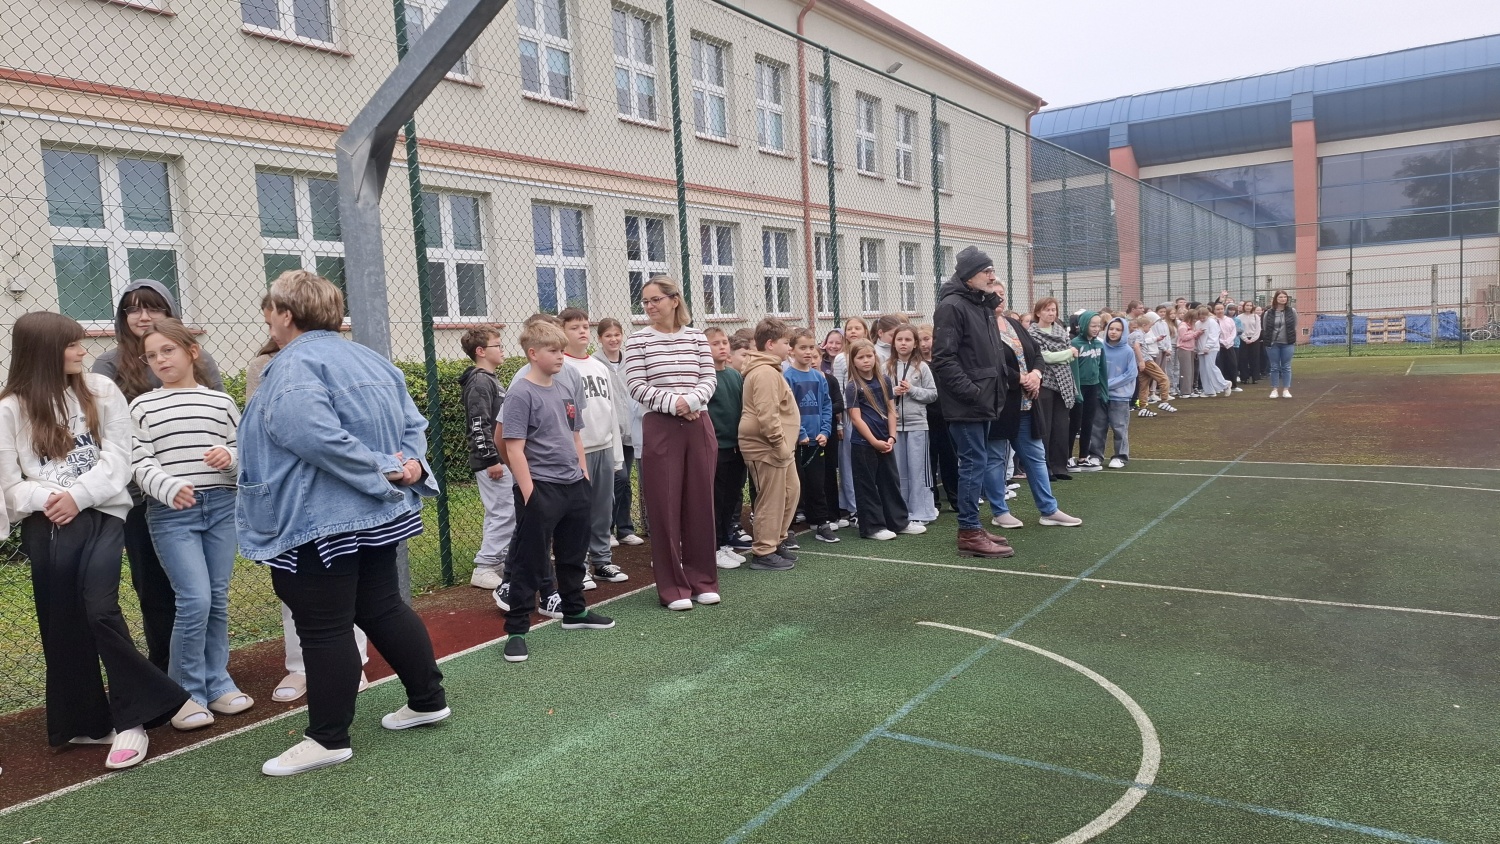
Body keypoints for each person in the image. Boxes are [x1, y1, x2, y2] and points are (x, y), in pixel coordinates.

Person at [241, 271, 448, 777]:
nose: (268, 319)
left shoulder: (293, 366)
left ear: (286, 314)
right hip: (374, 513)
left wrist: (387, 468)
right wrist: (408, 464)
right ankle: (427, 700)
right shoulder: (370, 360)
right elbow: (413, 426)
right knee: (381, 606)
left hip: (320, 518)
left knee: (323, 624)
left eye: (270, 311)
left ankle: (328, 738)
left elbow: (312, 435)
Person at [0, 312, 189, 770]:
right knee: (62, 617)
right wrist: (52, 498)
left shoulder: (100, 390)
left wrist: (78, 496)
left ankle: (134, 719)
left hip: (102, 512)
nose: (82, 351)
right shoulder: (9, 409)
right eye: (72, 344)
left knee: (99, 607)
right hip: (48, 519)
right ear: (45, 352)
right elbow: (9, 485)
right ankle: (87, 721)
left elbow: (118, 460)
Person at [93, 279, 225, 673]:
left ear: (170, 313)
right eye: (132, 308)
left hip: (200, 490)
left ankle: (209, 668)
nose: (143, 316)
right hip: (141, 495)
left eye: (153, 307)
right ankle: (168, 669)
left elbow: (220, 422)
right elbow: (108, 435)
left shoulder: (199, 359)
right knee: (153, 586)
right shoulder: (108, 365)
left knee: (205, 590)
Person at [129, 318, 252, 731]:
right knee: (194, 599)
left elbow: (245, 452)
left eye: (168, 350)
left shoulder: (221, 403)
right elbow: (138, 462)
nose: (160, 360)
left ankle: (218, 683)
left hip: (221, 507)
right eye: (151, 355)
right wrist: (167, 488)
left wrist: (229, 458)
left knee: (216, 598)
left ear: (192, 352)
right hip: (171, 514)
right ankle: (185, 694)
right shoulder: (142, 407)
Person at [246, 339, 370, 704]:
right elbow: (257, 429)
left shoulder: (341, 357)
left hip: (338, 490)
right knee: (296, 585)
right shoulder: (264, 365)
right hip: (287, 493)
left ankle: (353, 663)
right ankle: (300, 667)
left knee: (347, 582)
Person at [499, 320, 618, 664]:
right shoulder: (520, 393)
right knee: (529, 562)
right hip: (541, 489)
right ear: (533, 354)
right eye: (552, 350)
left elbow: (575, 436)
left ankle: (574, 612)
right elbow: (512, 447)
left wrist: (583, 475)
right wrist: (529, 492)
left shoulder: (565, 389)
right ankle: (517, 630)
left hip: (573, 486)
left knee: (572, 554)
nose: (560, 356)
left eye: (561, 350)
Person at [624, 278, 719, 611]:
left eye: (656, 300)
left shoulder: (696, 337)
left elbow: (708, 378)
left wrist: (690, 402)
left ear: (674, 300)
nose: (650, 306)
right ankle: (673, 588)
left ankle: (703, 581)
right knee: (664, 506)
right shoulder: (638, 340)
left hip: (698, 425)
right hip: (660, 427)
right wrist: (675, 404)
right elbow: (636, 385)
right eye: (645, 302)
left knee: (700, 503)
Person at [932, 246, 1008, 558]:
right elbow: (943, 359)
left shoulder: (980, 304)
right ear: (968, 276)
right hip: (967, 404)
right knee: (973, 464)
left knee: (977, 463)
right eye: (986, 271)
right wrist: (972, 393)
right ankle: (968, 532)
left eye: (992, 270)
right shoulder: (952, 306)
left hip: (983, 401)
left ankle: (973, 525)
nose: (992, 276)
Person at [985, 297, 1083, 534]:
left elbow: (1036, 352)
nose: (999, 297)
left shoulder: (1013, 324)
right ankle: (1000, 512)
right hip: (999, 405)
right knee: (996, 459)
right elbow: (989, 364)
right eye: (993, 291)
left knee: (1036, 457)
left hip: (1026, 403)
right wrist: (1020, 378)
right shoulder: (980, 327)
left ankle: (1049, 510)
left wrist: (1036, 375)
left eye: (1002, 292)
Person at [558, 308, 630, 588]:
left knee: (603, 509)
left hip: (603, 446)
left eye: (585, 326)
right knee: (577, 512)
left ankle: (601, 561)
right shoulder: (561, 366)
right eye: (574, 327)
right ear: (562, 331)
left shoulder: (599, 366)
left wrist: (615, 453)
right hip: (578, 450)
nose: (582, 331)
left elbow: (610, 411)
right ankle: (578, 565)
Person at [738, 318, 801, 569]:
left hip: (779, 446)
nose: (790, 348)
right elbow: (767, 415)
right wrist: (779, 444)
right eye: (786, 343)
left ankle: (777, 540)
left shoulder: (771, 369)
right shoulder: (764, 372)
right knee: (771, 498)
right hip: (766, 446)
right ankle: (764, 551)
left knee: (790, 491)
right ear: (771, 344)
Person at [844, 339, 916, 540]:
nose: (866, 360)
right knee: (867, 486)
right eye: (861, 357)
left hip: (886, 442)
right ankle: (873, 527)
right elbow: (856, 419)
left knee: (890, 482)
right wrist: (874, 441)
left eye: (869, 356)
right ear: (853, 361)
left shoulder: (884, 380)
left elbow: (891, 410)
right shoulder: (853, 386)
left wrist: (892, 436)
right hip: (864, 444)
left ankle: (898, 522)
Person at [459, 326, 514, 591]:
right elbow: (479, 424)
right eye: (497, 345)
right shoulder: (480, 382)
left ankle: (497, 561)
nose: (502, 350)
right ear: (481, 351)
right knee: (505, 511)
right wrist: (492, 459)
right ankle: (485, 566)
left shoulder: (489, 379)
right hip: (492, 461)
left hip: (499, 458)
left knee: (500, 511)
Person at [593, 318, 645, 547]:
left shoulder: (630, 362)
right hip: (609, 432)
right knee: (618, 478)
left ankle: (625, 528)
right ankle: (608, 528)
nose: (613, 339)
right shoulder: (595, 363)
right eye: (608, 336)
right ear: (600, 338)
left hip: (629, 430)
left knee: (625, 481)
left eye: (617, 335)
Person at [785, 328, 837, 543]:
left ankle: (821, 523)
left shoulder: (818, 377)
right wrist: (800, 433)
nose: (808, 352)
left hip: (817, 442)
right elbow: (788, 409)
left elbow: (826, 405)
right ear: (791, 350)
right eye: (802, 348)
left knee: (817, 484)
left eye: (811, 347)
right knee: (793, 486)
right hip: (796, 443)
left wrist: (825, 431)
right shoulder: (787, 377)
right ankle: (787, 529)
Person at [705, 327, 747, 570]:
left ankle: (724, 543)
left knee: (732, 497)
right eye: (715, 343)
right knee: (715, 500)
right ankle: (713, 547)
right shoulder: (705, 378)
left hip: (736, 447)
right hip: (716, 449)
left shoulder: (734, 375)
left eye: (724, 342)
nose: (722, 347)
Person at [888, 324, 939, 525]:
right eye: (899, 339)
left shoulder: (922, 367)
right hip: (893, 427)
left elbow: (932, 394)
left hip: (917, 424)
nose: (903, 343)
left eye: (908, 339)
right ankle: (901, 511)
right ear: (893, 342)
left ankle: (922, 512)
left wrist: (912, 390)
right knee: (898, 471)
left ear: (915, 343)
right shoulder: (886, 367)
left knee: (918, 470)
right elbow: (879, 394)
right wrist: (892, 392)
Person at [1026, 297, 1077, 482]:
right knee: (1045, 427)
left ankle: (1059, 466)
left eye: (1053, 310)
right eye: (1047, 310)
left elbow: (1069, 356)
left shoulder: (1061, 331)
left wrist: (1064, 355)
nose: (1051, 313)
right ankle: (1045, 468)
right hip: (1044, 383)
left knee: (1061, 426)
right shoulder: (1032, 333)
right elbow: (1045, 357)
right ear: (1038, 312)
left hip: (1063, 384)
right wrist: (1067, 353)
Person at [917, 324, 959, 511]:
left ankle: (955, 498)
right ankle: (932, 501)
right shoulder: (917, 365)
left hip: (946, 415)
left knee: (950, 457)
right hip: (926, 417)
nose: (923, 344)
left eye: (927, 339)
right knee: (929, 459)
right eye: (919, 340)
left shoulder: (943, 362)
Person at [833, 316, 869, 524]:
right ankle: (853, 508)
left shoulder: (872, 354)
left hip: (870, 414)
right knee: (848, 462)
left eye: (857, 328)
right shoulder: (841, 358)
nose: (853, 332)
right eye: (849, 329)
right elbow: (838, 391)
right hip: (849, 415)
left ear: (865, 331)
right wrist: (840, 423)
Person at [1069, 311, 1107, 472]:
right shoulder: (1075, 343)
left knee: (1088, 422)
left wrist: (1104, 391)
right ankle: (1067, 457)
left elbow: (1103, 369)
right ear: (1084, 325)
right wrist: (1076, 391)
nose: (1096, 329)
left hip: (1093, 387)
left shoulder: (1099, 344)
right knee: (1074, 423)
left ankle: (1083, 457)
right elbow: (1073, 370)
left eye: (1099, 326)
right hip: (1079, 389)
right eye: (1093, 325)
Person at [1101, 317, 1138, 468]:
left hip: (1120, 397)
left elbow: (1130, 374)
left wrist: (1107, 384)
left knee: (1119, 427)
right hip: (1101, 395)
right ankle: (1095, 455)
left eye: (1118, 329)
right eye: (1111, 329)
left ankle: (1120, 456)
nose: (1113, 332)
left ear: (1124, 332)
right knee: (1098, 427)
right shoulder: (1101, 348)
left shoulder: (1128, 351)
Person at [1129, 317, 1176, 416]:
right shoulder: (1139, 334)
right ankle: (1164, 401)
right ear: (1144, 326)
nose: (1149, 329)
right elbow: (1137, 346)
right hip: (1146, 360)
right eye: (1149, 327)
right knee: (1163, 379)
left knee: (1144, 385)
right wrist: (1141, 361)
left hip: (1138, 362)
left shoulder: (1132, 335)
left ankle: (1143, 408)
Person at [1263, 290, 1297, 398]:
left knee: (1286, 366)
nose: (1283, 299)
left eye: (1285, 297)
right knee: (1274, 366)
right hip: (1273, 343)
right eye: (1280, 297)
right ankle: (1274, 389)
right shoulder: (1269, 312)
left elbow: (1294, 325)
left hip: (1287, 343)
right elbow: (1265, 327)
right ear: (1276, 299)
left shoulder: (1292, 311)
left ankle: (1286, 389)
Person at [1195, 306, 1228, 397]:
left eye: (1204, 317)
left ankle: (1224, 384)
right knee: (1203, 370)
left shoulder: (1212, 322)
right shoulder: (1197, 323)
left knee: (1210, 367)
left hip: (1211, 348)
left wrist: (1208, 346)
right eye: (1200, 317)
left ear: (1207, 315)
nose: (1202, 319)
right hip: (1201, 349)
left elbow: (1214, 335)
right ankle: (1209, 390)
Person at [1174, 307, 1201, 399]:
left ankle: (1190, 390)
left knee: (1191, 370)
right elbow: (1184, 337)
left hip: (1190, 349)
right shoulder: (1183, 326)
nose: (1195, 320)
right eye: (1194, 318)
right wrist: (1195, 333)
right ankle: (1185, 391)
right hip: (1183, 349)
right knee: (1185, 371)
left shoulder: (1191, 326)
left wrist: (1197, 334)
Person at [1217, 303, 1241, 391]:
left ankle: (1233, 385)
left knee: (1233, 365)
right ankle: (1222, 386)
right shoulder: (1214, 321)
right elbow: (1214, 334)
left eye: (1221, 309)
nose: (1220, 311)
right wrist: (1222, 342)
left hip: (1229, 345)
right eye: (1217, 309)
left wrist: (1228, 341)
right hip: (1219, 346)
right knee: (1220, 366)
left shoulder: (1230, 320)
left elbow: (1233, 331)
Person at [1237, 302, 1262, 385]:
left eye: (1250, 305)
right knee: (1243, 359)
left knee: (1254, 359)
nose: (1248, 307)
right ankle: (1244, 377)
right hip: (1243, 339)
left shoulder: (1256, 316)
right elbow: (1239, 329)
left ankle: (1255, 377)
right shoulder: (1239, 317)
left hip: (1254, 339)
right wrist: (1245, 339)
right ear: (1244, 307)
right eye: (1247, 305)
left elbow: (1258, 329)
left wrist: (1253, 339)